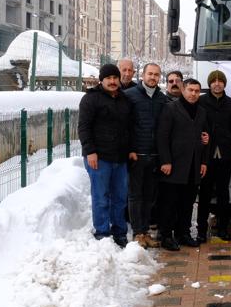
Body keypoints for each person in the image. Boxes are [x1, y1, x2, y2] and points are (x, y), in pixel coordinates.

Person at [78, 64, 131, 246]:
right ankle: (102, 232)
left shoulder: (125, 100)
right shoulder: (90, 99)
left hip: (120, 158)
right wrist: (90, 151)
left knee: (120, 197)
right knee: (101, 197)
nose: (112, 81)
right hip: (99, 158)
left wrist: (130, 150)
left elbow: (129, 128)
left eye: (115, 78)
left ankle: (120, 231)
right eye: (108, 78)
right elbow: (83, 128)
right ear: (102, 80)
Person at [156, 78, 208, 250]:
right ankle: (165, 236)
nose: (193, 94)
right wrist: (165, 161)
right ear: (184, 90)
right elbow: (162, 137)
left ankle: (183, 233)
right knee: (169, 203)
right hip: (174, 165)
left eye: (196, 91)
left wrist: (203, 162)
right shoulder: (170, 108)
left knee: (187, 203)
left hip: (193, 166)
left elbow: (205, 138)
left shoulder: (201, 111)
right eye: (190, 90)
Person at [126, 63, 168, 248]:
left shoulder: (162, 99)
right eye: (150, 74)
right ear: (142, 75)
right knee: (135, 196)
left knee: (150, 196)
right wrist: (129, 149)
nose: (153, 77)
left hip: (154, 155)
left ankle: (145, 231)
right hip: (136, 155)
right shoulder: (130, 96)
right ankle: (137, 233)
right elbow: (124, 126)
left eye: (156, 75)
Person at [197, 70, 231, 243]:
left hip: (225, 154)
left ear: (224, 83)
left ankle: (223, 228)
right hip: (206, 156)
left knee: (223, 194)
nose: (217, 84)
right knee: (205, 194)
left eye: (220, 81)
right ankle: (201, 230)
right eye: (213, 81)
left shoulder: (230, 103)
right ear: (209, 83)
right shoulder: (201, 101)